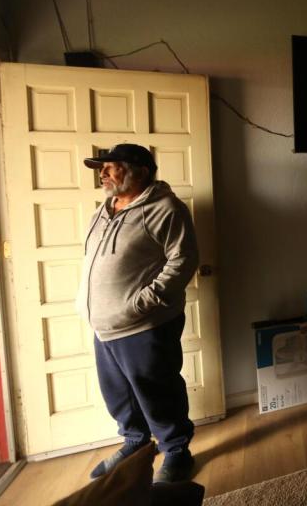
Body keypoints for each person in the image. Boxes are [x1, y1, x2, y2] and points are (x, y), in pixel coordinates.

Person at [77, 143, 199, 483]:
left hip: (145, 325)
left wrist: (143, 302)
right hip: (105, 326)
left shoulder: (166, 209)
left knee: (158, 392)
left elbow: (184, 260)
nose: (102, 173)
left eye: (111, 166)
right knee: (118, 394)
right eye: (101, 168)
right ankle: (136, 443)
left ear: (140, 171)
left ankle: (176, 451)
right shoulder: (103, 211)